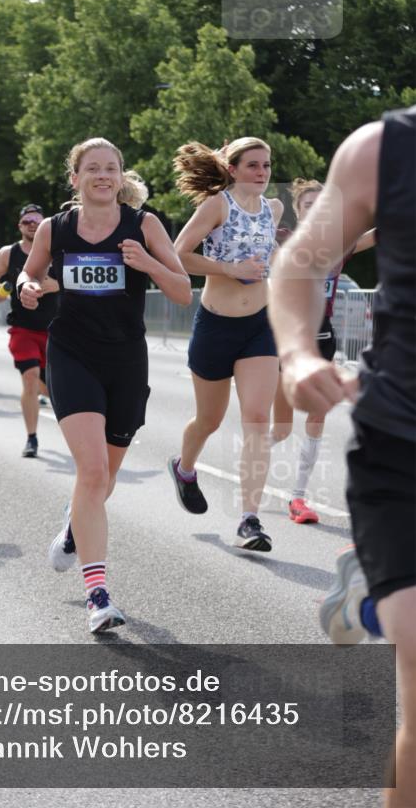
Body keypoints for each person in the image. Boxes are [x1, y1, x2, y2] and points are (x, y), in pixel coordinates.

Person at [269, 107, 415, 808]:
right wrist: (297, 354)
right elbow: (299, 262)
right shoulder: (383, 150)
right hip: (403, 446)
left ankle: (372, 598)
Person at [19, 138, 191, 633]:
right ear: (75, 178)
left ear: (120, 176)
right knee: (92, 472)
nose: (102, 175)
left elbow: (181, 293)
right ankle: (98, 594)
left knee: (105, 478)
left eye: (110, 168)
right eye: (91, 168)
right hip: (72, 355)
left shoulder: (145, 225)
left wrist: (148, 263)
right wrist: (28, 289)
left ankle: (76, 527)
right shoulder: (55, 228)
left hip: (125, 361)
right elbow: (28, 278)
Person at [169, 137, 283, 551]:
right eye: (253, 165)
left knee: (257, 418)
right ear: (233, 169)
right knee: (209, 421)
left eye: (267, 165)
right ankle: (184, 468)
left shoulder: (274, 209)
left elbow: (268, 255)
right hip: (216, 326)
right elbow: (178, 254)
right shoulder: (216, 206)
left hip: (260, 326)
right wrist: (229, 268)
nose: (262, 172)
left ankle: (250, 520)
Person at [270, 179, 375, 523]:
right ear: (299, 212)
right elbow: (255, 221)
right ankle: (250, 478)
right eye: (308, 205)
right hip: (285, 337)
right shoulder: (283, 238)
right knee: (280, 427)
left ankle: (297, 498)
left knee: (317, 417)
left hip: (323, 337)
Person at [0, 204, 58, 458]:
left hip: (55, 329)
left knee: (54, 388)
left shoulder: (55, 247)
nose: (32, 224)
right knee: (29, 378)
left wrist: (48, 286)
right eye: (27, 220)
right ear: (20, 226)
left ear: (43, 223)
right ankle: (32, 438)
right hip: (23, 328)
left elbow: (68, 279)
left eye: (36, 220)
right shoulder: (9, 253)